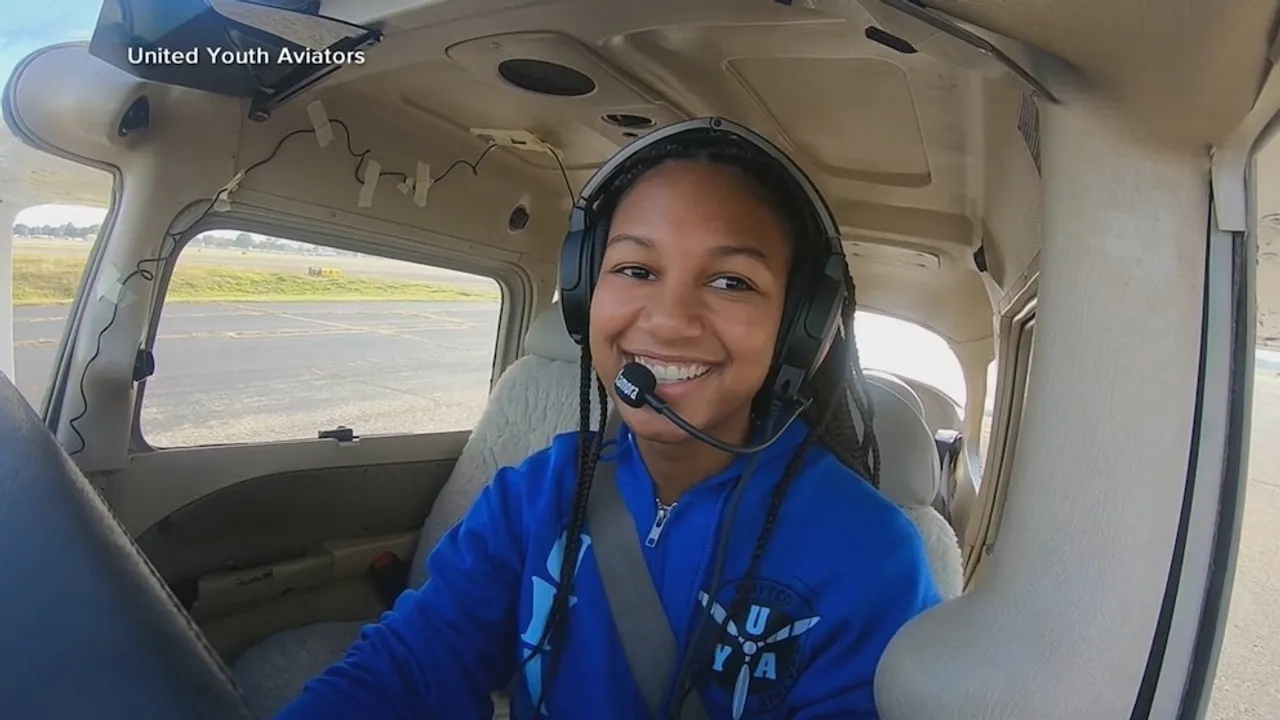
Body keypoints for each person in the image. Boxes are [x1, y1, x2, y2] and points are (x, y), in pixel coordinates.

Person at [275, 118, 942, 720]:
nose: (670, 319)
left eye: (731, 281)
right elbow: (410, 668)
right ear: (584, 294)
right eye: (635, 269)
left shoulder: (871, 557)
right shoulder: (536, 495)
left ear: (802, 332)